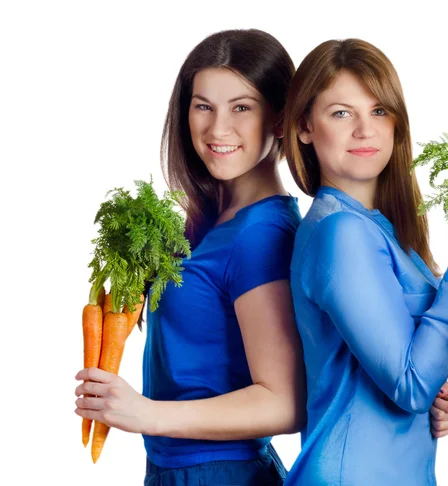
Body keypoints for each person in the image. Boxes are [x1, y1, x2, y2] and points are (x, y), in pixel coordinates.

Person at [74, 29, 306, 486]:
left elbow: (284, 402)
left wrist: (146, 413)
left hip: (220, 473)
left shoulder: (259, 235)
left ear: (280, 118)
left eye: (242, 107)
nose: (217, 129)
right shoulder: (211, 222)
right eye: (203, 106)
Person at [282, 38, 448, 485]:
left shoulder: (381, 229)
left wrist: (447, 403)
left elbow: (412, 369)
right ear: (305, 127)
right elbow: (410, 383)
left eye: (379, 111)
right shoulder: (341, 234)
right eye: (341, 113)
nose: (365, 130)